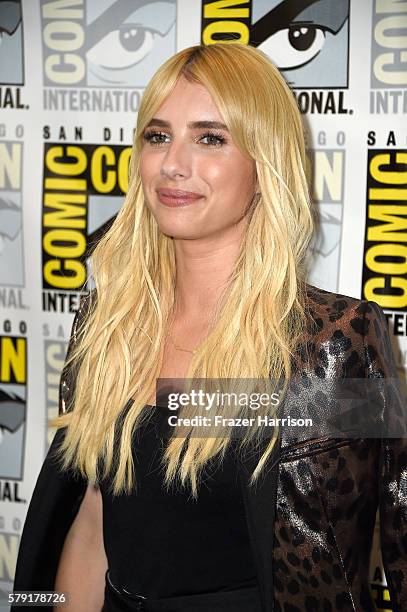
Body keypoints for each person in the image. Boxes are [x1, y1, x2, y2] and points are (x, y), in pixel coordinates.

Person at [12, 43, 406, 612]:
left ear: (264, 163)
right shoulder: (107, 323)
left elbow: (370, 545)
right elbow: (96, 519)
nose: (173, 164)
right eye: (157, 135)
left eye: (210, 138)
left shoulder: (329, 341)